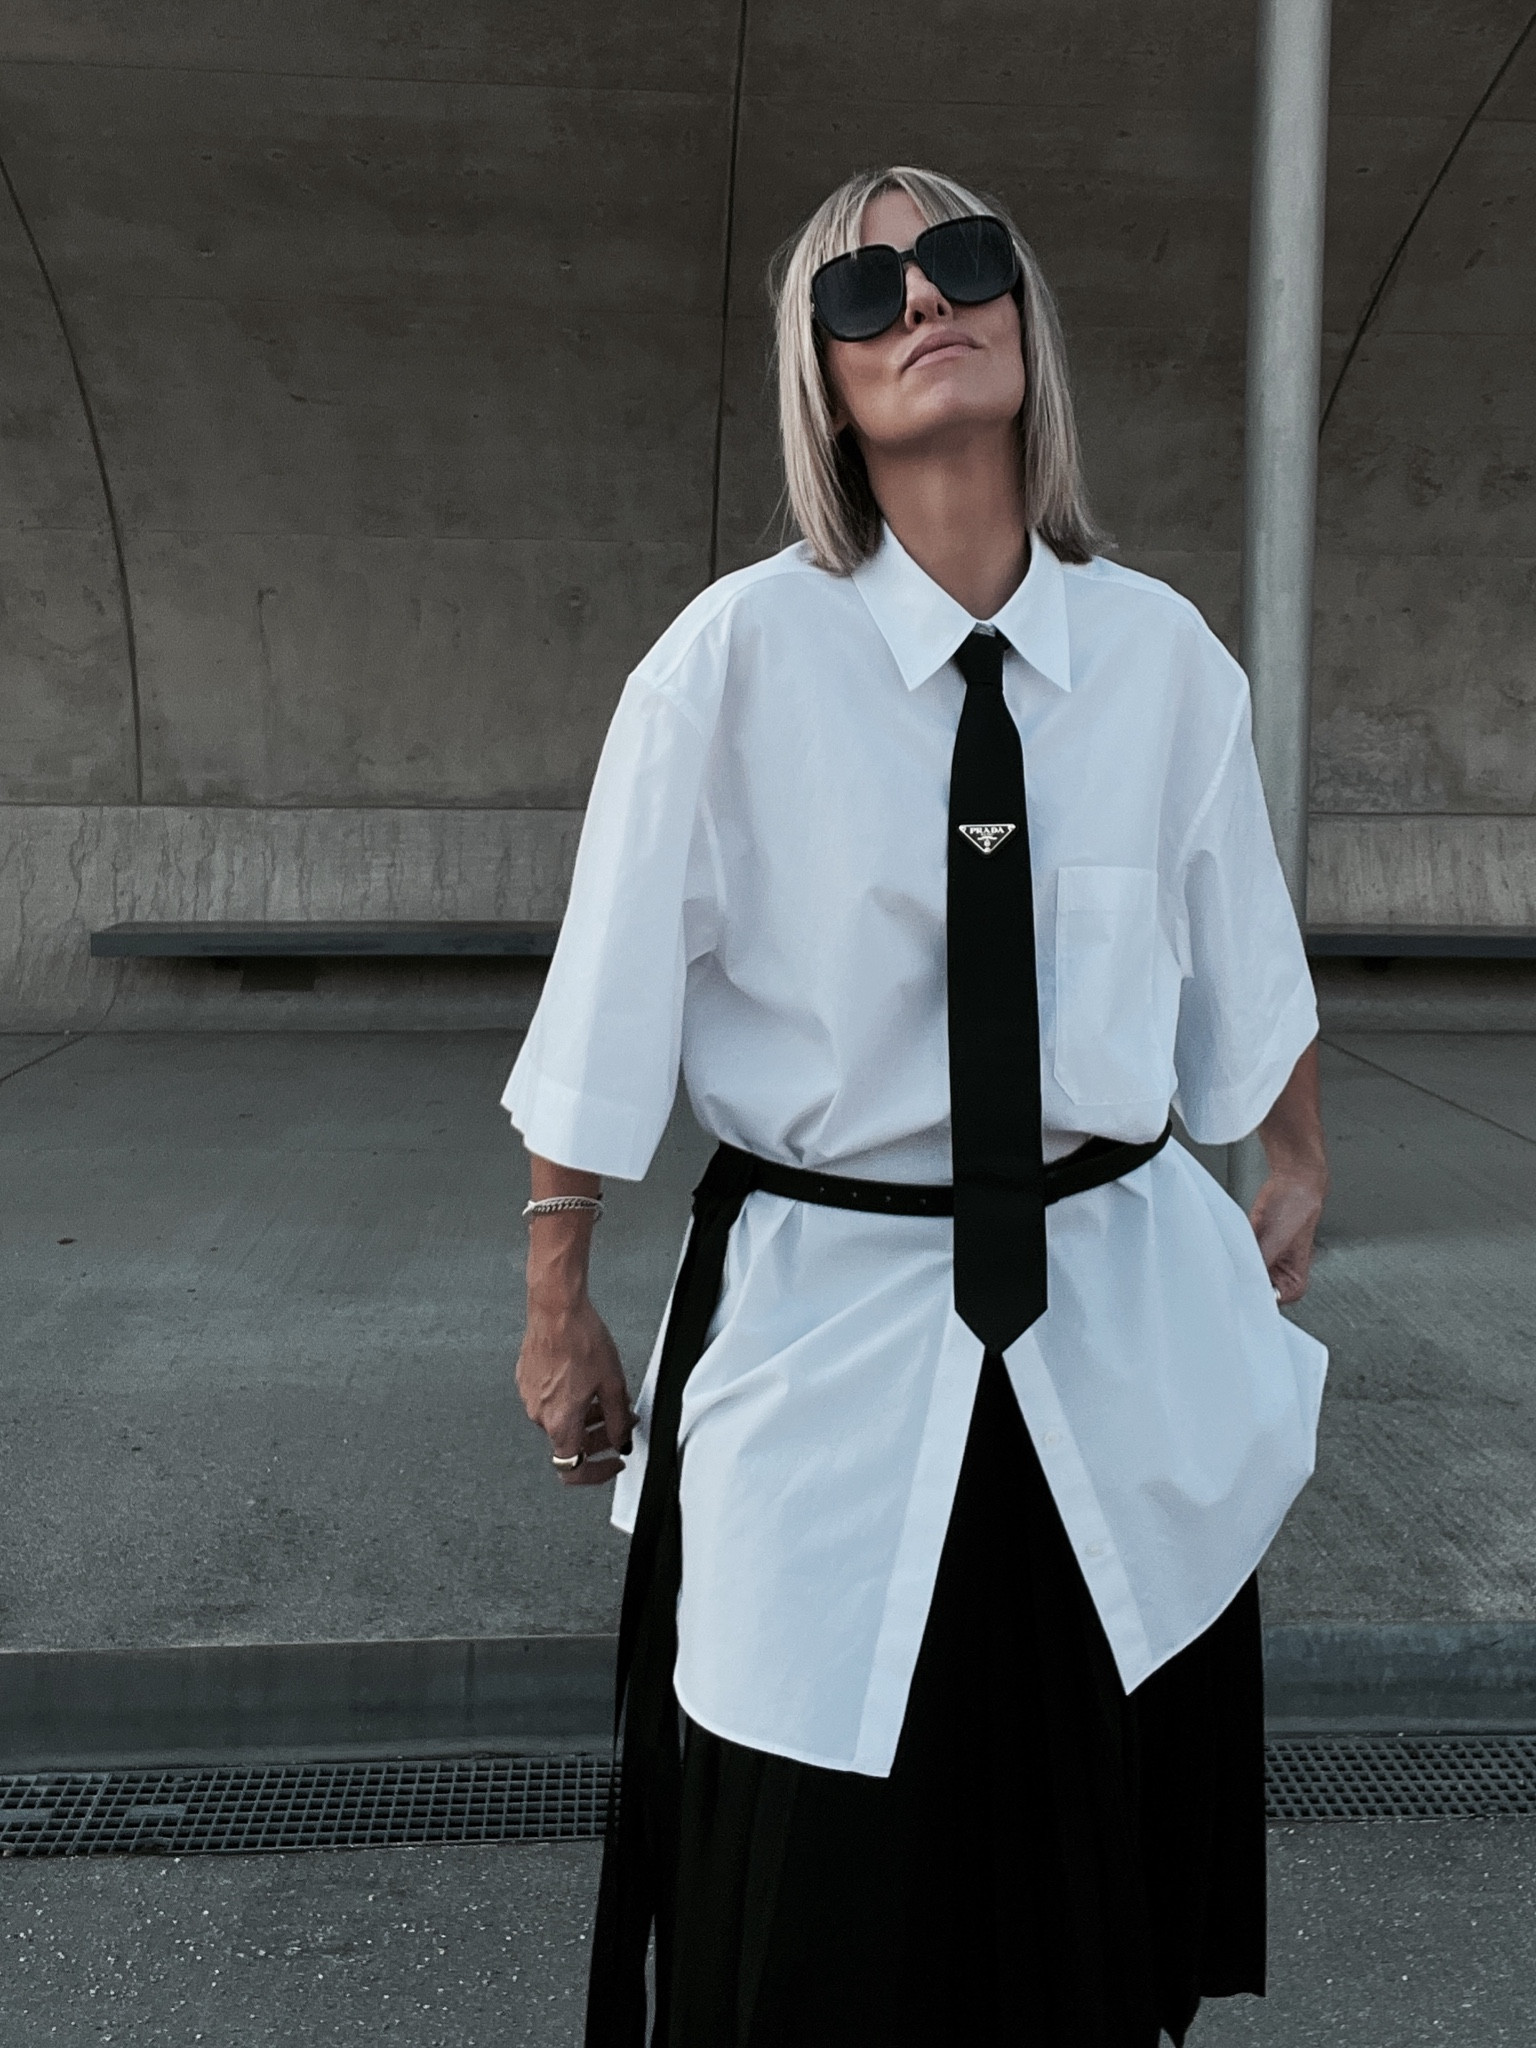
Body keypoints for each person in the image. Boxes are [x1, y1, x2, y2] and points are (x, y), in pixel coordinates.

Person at [504, 164, 1329, 2048]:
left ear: (1024, 324)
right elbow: (606, 1001)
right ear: (823, 377)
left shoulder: (1163, 661)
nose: (921, 301)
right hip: (829, 1326)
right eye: (863, 289)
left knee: (1088, 1895)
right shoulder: (731, 664)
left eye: (959, 262)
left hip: (1112, 1343)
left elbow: (1239, 941)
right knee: (809, 1894)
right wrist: (561, 1293)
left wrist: (1292, 1149)